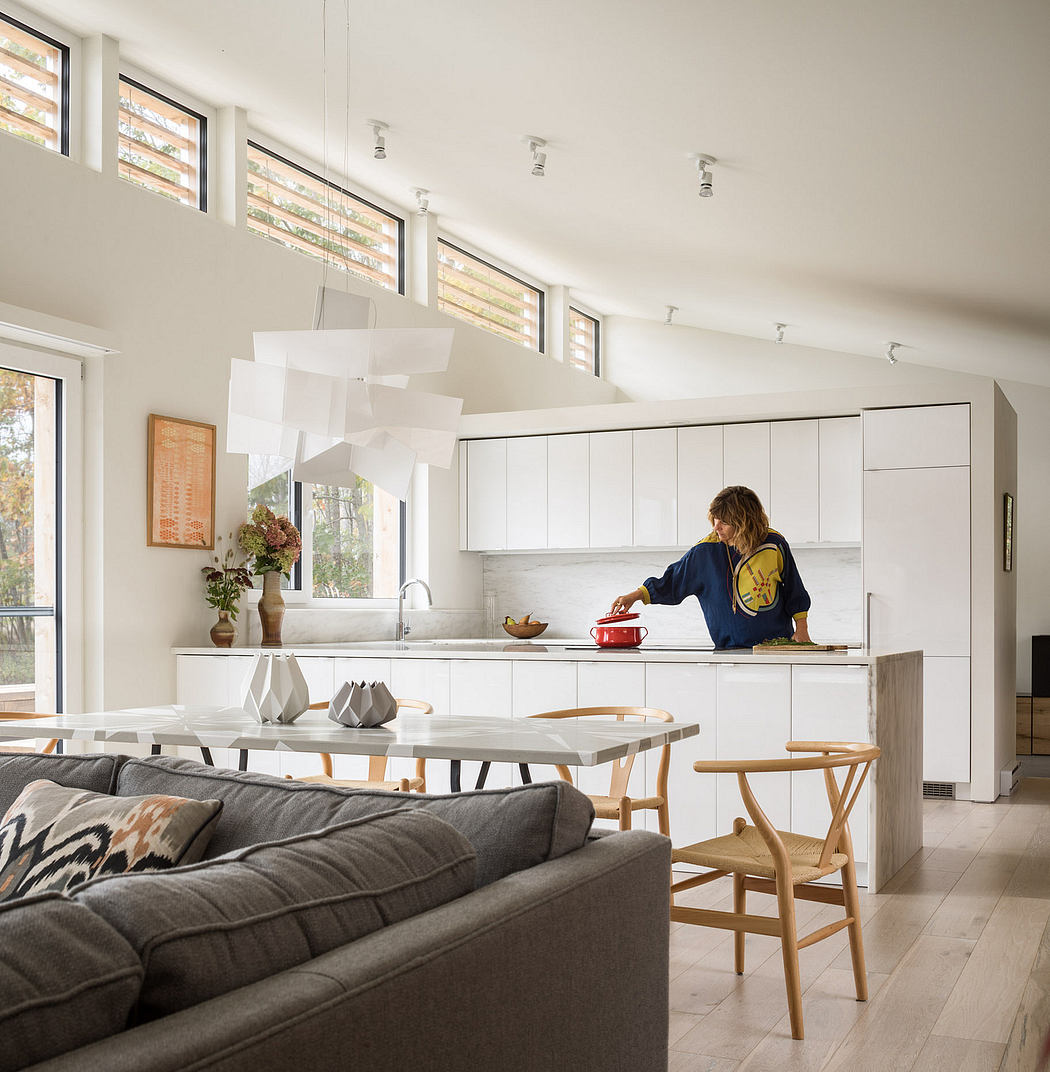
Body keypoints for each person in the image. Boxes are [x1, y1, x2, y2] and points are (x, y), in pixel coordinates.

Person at [611, 485, 812, 650]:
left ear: (744, 522)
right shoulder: (705, 551)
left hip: (776, 650)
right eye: (715, 519)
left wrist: (802, 629)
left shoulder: (774, 544)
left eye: (724, 521)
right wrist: (634, 596)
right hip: (728, 653)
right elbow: (672, 582)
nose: (716, 526)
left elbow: (794, 590)